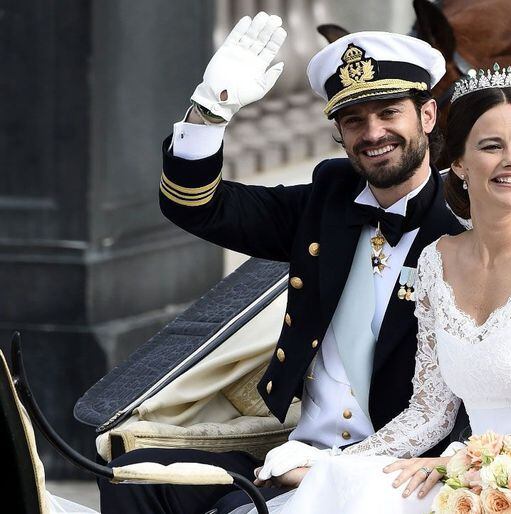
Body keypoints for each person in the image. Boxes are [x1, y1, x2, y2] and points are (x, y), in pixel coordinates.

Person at [98, 12, 467, 514]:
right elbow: (196, 204)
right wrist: (211, 111)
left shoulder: (465, 230)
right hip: (293, 454)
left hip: (396, 474)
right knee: (134, 478)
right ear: (338, 132)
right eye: (354, 120)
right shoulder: (326, 199)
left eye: (389, 113)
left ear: (426, 117)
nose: (373, 133)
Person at [244, 65, 511, 513]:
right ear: (458, 162)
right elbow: (429, 412)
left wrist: (460, 461)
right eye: (491, 146)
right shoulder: (437, 260)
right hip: (454, 473)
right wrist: (337, 463)